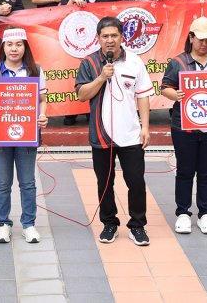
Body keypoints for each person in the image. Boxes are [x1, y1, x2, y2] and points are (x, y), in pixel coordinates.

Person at [75, 16, 154, 246]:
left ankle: (137, 226)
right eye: (105, 36)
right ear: (98, 38)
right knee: (105, 182)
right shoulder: (89, 63)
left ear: (122, 37)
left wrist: (145, 127)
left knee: (136, 182)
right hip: (101, 135)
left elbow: (143, 96)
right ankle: (109, 224)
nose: (109, 40)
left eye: (114, 36)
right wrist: (101, 77)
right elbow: (82, 95)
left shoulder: (135, 61)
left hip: (130, 134)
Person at [161, 17, 207, 235]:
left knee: (206, 172)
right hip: (184, 126)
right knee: (184, 170)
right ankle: (183, 213)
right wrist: (177, 94)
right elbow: (165, 88)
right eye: (200, 39)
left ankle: (206, 214)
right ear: (191, 38)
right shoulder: (178, 62)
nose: (204, 44)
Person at [0, 28, 49, 244]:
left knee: (28, 183)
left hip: (27, 136)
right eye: (10, 45)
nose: (14, 49)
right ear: (3, 47)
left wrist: (42, 115)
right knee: (2, 182)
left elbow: (42, 100)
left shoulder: (35, 71)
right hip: (0, 135)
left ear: (25, 47)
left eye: (19, 44)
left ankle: (28, 225)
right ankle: (3, 224)